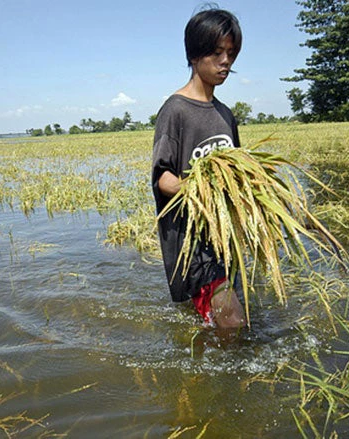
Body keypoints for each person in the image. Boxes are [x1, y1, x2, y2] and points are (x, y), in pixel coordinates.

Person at [151, 7, 246, 328]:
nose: (225, 61)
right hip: (193, 243)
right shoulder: (175, 111)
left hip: (223, 238)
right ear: (194, 56)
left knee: (217, 324)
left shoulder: (225, 115)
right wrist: (201, 186)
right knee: (233, 323)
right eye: (217, 52)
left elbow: (237, 171)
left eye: (231, 53)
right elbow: (162, 177)